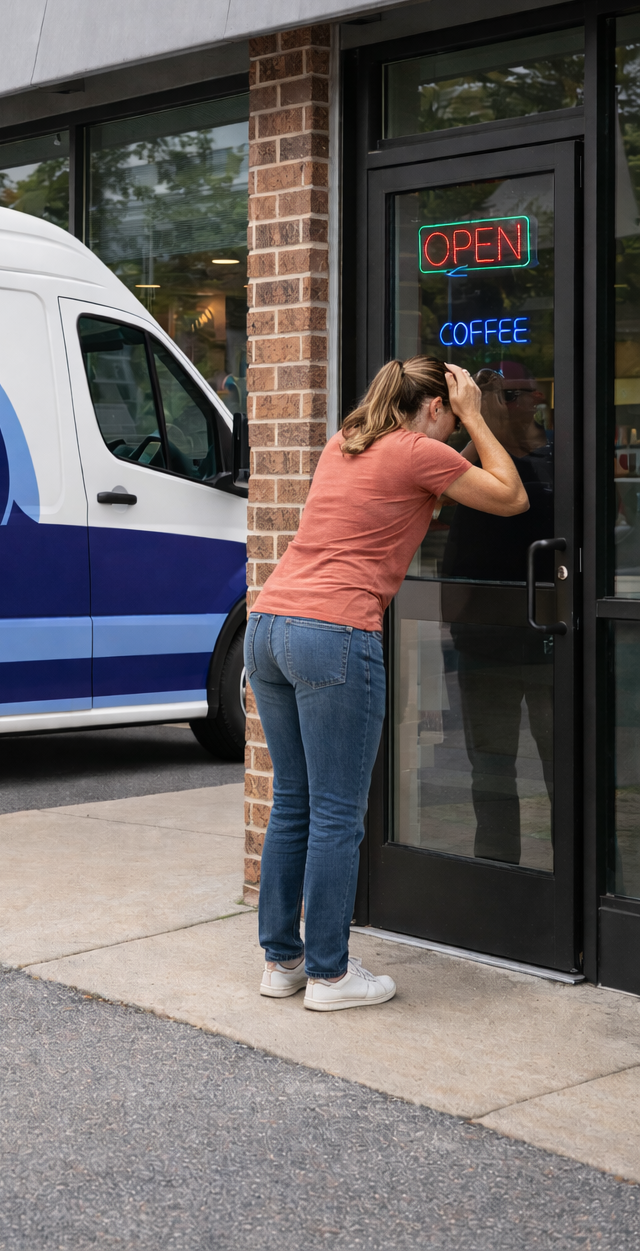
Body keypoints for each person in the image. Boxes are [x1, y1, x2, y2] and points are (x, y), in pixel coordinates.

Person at [245, 357, 528, 1011]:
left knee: (294, 803)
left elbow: (439, 476)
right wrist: (479, 418)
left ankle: (283, 962)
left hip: (269, 626)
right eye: (453, 412)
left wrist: (466, 423)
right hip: (333, 632)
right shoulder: (416, 453)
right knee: (337, 813)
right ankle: (331, 975)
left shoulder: (345, 443)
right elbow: (510, 495)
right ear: (434, 408)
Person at [440, 361, 554, 865]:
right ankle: (497, 872)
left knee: (562, 764)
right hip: (484, 636)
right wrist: (476, 422)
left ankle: (575, 879)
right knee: (490, 765)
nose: (511, 404)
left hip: (550, 634)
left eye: (516, 394)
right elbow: (437, 481)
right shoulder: (474, 461)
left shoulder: (557, 456)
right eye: (503, 396)